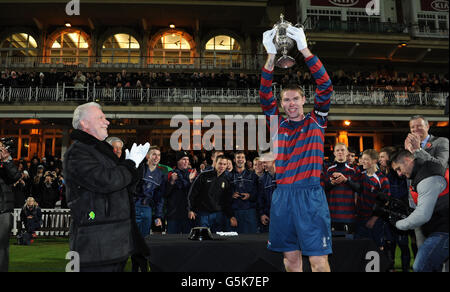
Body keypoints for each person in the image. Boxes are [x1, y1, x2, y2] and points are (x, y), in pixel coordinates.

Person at [260, 25, 333, 272]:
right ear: (281, 104)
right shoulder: (276, 124)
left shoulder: (317, 120)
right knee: (290, 261)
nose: (291, 104)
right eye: (286, 100)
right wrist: (271, 56)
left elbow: (325, 86)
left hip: (310, 196)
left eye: (295, 99)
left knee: (318, 261)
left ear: (304, 100)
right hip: (283, 197)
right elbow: (263, 94)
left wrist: (303, 49)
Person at [63, 102, 150, 272]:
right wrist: (129, 164)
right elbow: (107, 181)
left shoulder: (100, 152)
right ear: (84, 123)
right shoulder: (77, 153)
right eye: (101, 117)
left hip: (113, 241)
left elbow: (122, 188)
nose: (107, 121)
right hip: (96, 245)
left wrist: (135, 168)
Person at [390, 150, 448, 272]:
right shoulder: (424, 171)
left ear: (407, 160)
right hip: (441, 227)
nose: (399, 174)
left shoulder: (428, 177)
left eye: (398, 169)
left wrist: (398, 224)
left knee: (421, 265)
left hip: (444, 229)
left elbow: (422, 215)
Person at [131, 145, 166, 272]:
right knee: (133, 239)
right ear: (147, 156)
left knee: (144, 240)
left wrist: (158, 216)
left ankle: (144, 266)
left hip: (147, 209)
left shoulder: (160, 175)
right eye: (154, 154)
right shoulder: (139, 169)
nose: (156, 157)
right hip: (134, 207)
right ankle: (135, 267)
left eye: (159, 155)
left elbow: (159, 198)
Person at [379, 146, 411, 272]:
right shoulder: (382, 173)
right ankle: (390, 268)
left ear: (390, 157)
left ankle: (405, 269)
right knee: (389, 244)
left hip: (400, 214)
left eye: (382, 156)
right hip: (387, 215)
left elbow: (401, 193)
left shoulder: (398, 174)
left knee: (403, 244)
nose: (380, 159)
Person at [188, 155, 237, 232]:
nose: (222, 166)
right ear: (215, 163)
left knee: (217, 241)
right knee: (203, 239)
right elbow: (192, 194)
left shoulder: (227, 180)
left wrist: (231, 216)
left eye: (224, 164)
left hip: (219, 215)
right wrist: (191, 209)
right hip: (203, 214)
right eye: (220, 163)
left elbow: (227, 201)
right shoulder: (203, 175)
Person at [355, 149, 391, 252]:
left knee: (376, 250)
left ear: (375, 161)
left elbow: (385, 203)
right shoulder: (360, 176)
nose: (363, 161)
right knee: (360, 249)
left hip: (375, 221)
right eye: (362, 159)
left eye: (366, 159)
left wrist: (373, 219)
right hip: (360, 219)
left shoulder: (382, 179)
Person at [323, 143, 359, 235]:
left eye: (342, 150)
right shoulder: (328, 169)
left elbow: (359, 188)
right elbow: (323, 189)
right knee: (334, 246)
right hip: (332, 214)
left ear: (347, 152)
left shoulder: (354, 169)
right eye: (337, 150)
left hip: (349, 214)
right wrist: (332, 183)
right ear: (334, 153)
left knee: (349, 246)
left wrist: (346, 180)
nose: (340, 152)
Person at [0, 137, 22, 271]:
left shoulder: (5, 164)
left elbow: (15, 176)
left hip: (3, 210)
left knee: (2, 249)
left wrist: (6, 160)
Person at [165, 151, 197, 234]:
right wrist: (189, 180)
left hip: (188, 213)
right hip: (174, 214)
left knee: (188, 241)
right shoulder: (172, 173)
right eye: (183, 159)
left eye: (187, 159)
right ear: (178, 161)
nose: (186, 161)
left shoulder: (193, 172)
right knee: (171, 241)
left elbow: (195, 191)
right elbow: (174, 189)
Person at [229, 151, 259, 234]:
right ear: (234, 160)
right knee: (235, 241)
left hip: (250, 211)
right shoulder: (229, 176)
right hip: (235, 212)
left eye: (242, 157)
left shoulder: (253, 175)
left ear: (245, 160)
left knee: (251, 239)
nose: (240, 159)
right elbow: (224, 194)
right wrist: (231, 195)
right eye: (238, 157)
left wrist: (250, 195)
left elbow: (258, 193)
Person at [257, 152, 276, 233]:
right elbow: (260, 198)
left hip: (283, 215)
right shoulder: (262, 179)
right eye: (262, 163)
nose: (263, 165)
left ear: (273, 161)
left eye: (265, 162)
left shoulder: (284, 176)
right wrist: (262, 214)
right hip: (268, 216)